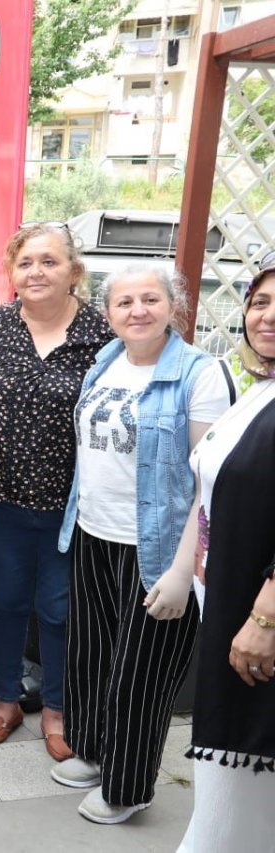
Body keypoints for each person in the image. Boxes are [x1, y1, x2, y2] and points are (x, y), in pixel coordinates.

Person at [51, 265, 232, 823]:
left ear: (174, 305)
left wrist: (184, 570)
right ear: (108, 314)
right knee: (91, 656)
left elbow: (212, 483)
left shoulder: (200, 374)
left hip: (159, 550)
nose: (137, 310)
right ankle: (95, 749)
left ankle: (127, 788)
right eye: (124, 301)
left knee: (141, 674)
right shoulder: (106, 362)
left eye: (150, 298)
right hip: (94, 532)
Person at [0, 223, 112, 759]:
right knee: (5, 605)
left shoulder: (101, 334)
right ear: (11, 273)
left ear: (73, 271)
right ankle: (5, 700)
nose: (36, 272)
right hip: (2, 499)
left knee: (60, 611)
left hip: (70, 505)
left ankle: (56, 708)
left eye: (49, 262)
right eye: (26, 262)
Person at [174, 259, 275, 851]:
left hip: (257, 622)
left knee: (235, 776)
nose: (268, 315)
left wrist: (265, 618)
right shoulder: (258, 391)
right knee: (241, 787)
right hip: (227, 607)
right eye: (260, 302)